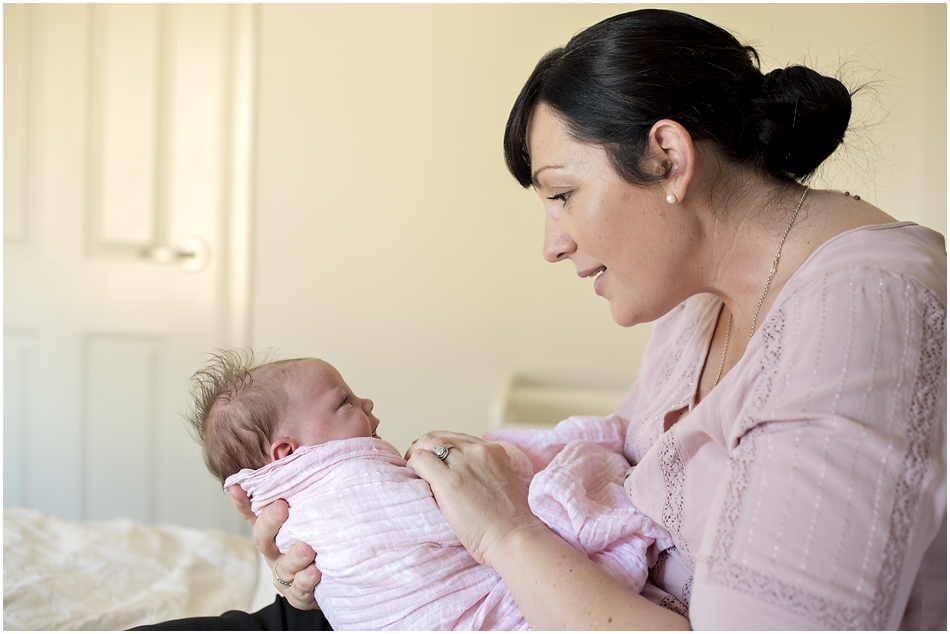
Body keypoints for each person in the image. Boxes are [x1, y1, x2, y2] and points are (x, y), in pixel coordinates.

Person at [240, 8, 945, 630]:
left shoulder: (863, 319)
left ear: (668, 158)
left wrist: (505, 533)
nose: (552, 245)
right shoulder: (698, 301)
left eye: (562, 195)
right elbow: (622, 469)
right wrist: (350, 551)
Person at [174, 350, 671, 630]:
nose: (368, 403)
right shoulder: (337, 493)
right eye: (344, 401)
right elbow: (445, 518)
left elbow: (479, 519)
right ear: (286, 453)